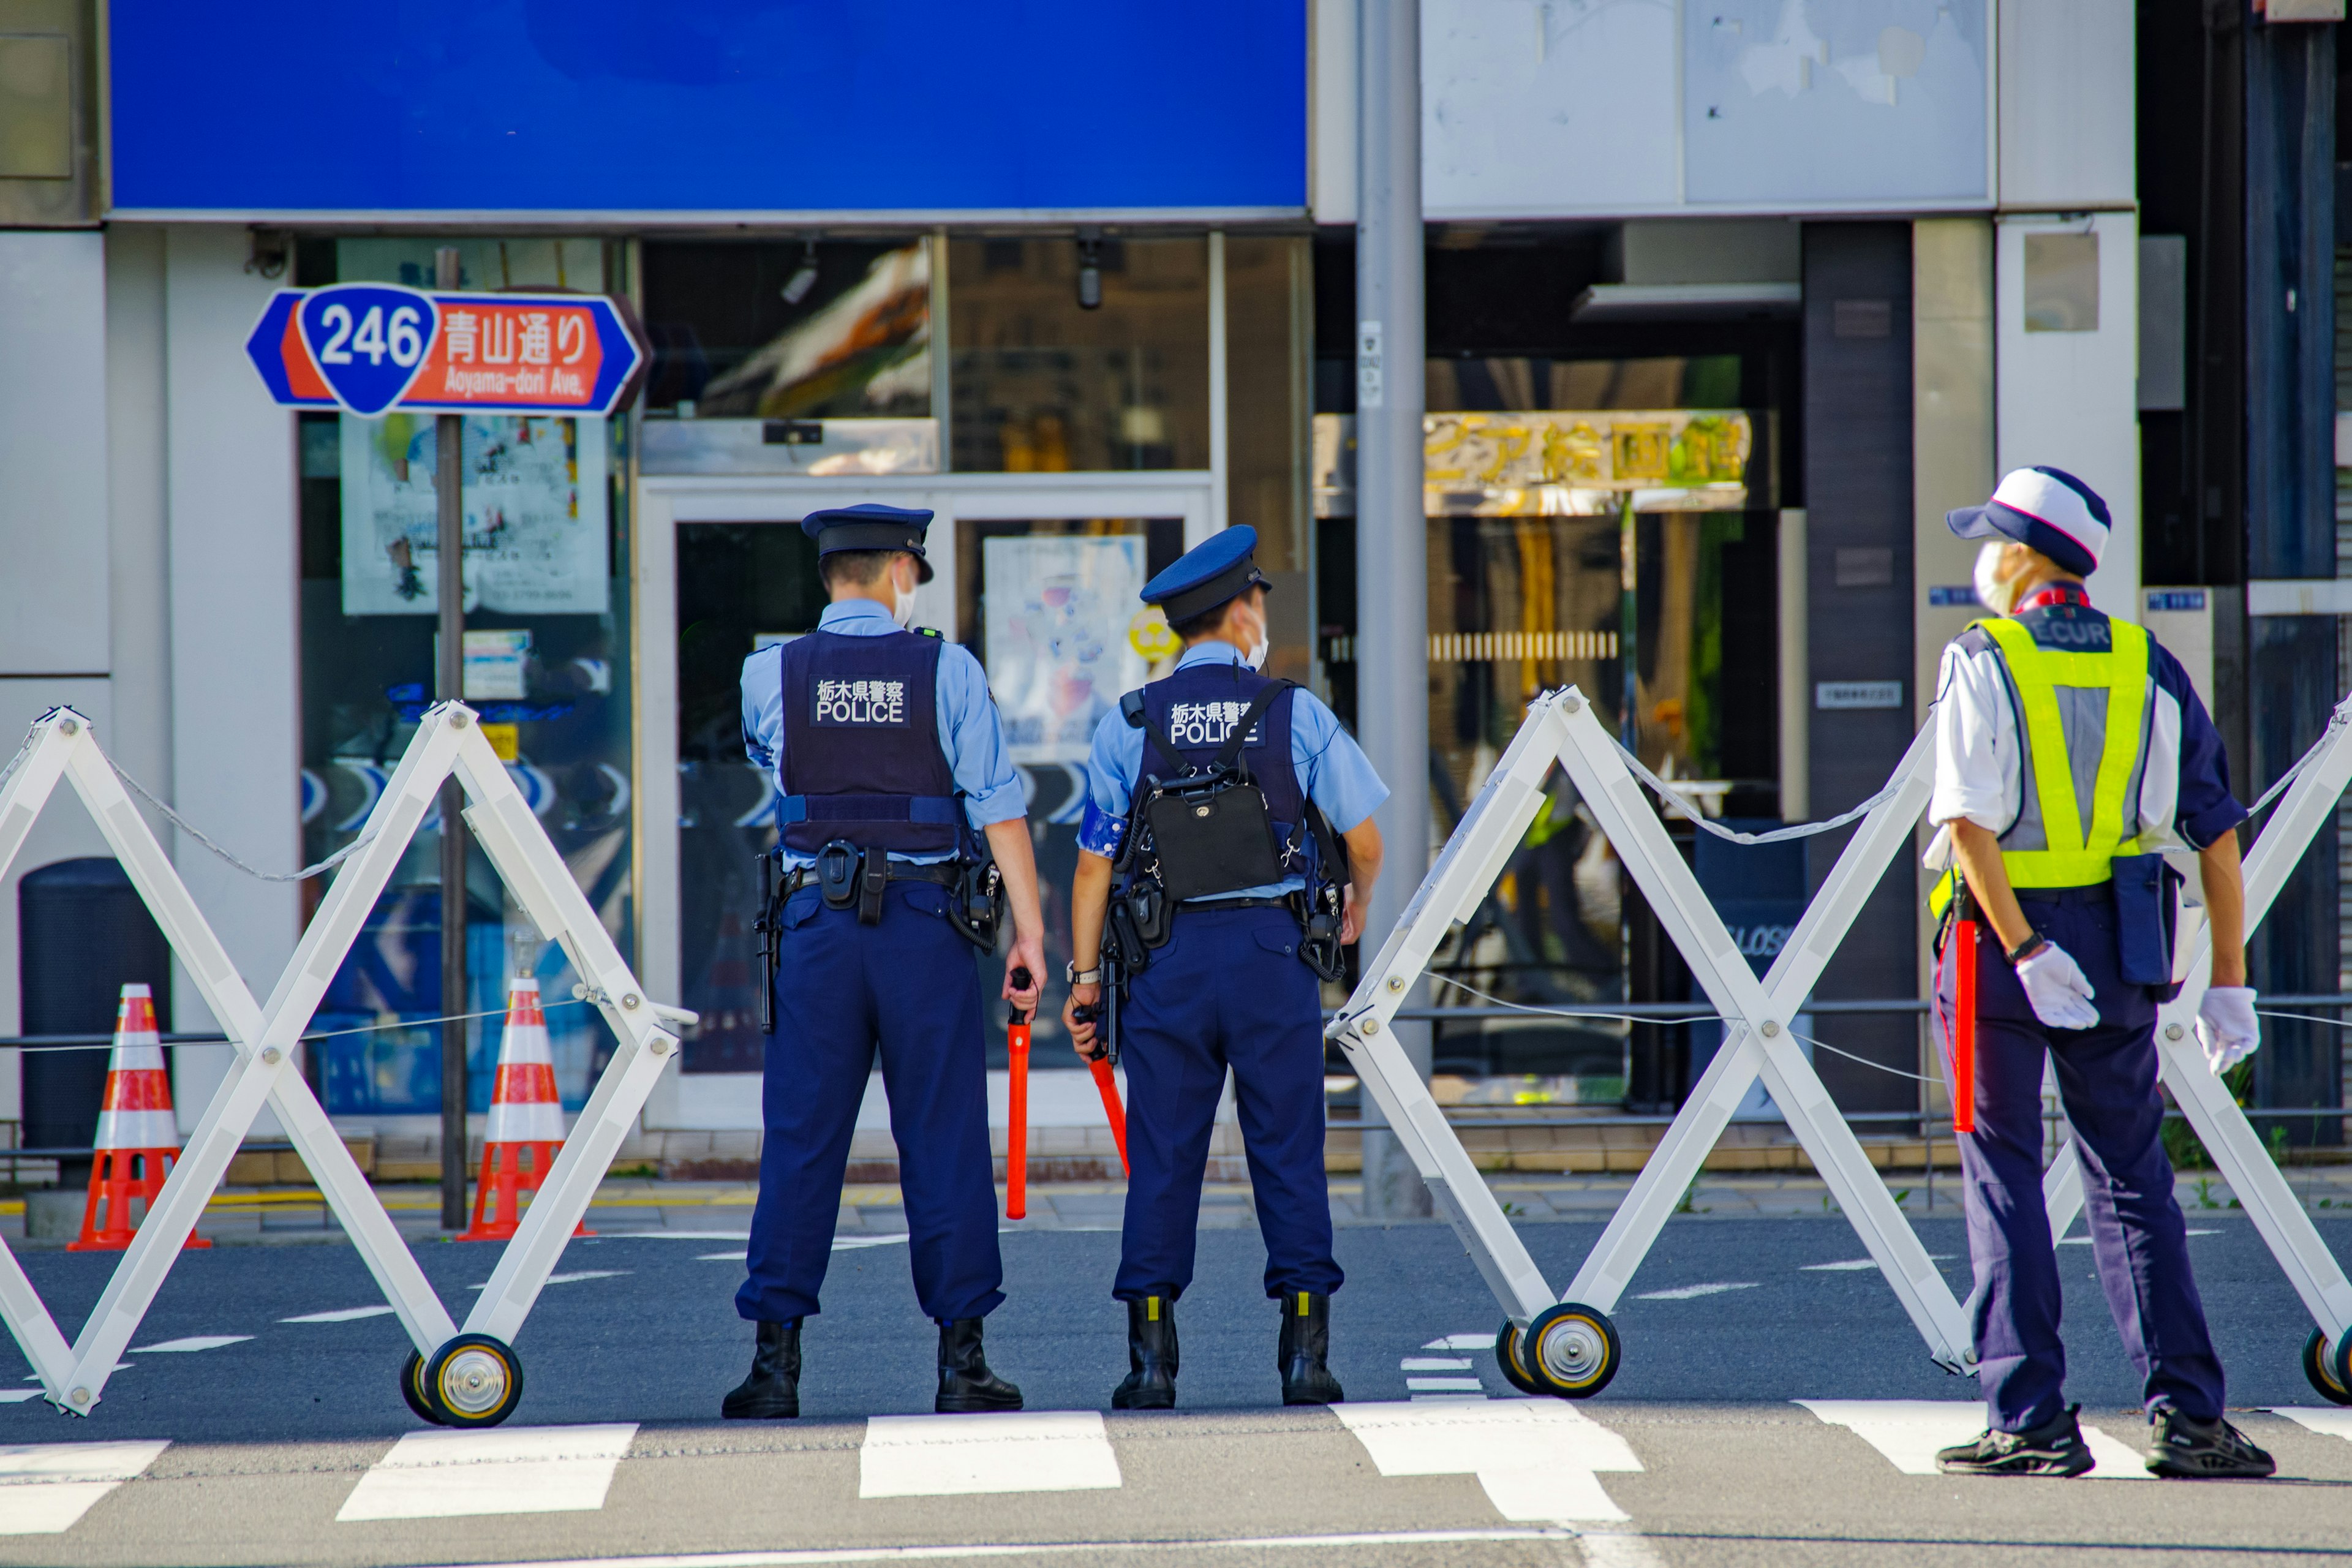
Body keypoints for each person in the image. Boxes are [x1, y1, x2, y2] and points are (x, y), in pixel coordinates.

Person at [1926, 467, 2273, 1480]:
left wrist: (2026, 950)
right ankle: (2190, 1418)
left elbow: (1966, 821)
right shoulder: (2146, 662)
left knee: (2004, 1175)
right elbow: (2215, 832)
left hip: (1999, 948)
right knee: (2131, 1178)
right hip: (2123, 940)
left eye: (1990, 540)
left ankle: (2030, 1420)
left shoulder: (1983, 658)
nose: (1981, 560)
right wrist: (2228, 977)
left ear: (2028, 556)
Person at [724, 502, 1046, 1420]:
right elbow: (997, 807)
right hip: (924, 929)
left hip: (814, 931)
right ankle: (962, 1364)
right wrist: (1030, 933)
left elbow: (772, 767)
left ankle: (773, 1369)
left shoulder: (767, 673)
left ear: (830, 578)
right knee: (942, 1139)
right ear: (902, 571)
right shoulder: (947, 668)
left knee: (800, 1143)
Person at [1061, 526, 1387, 1409]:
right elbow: (1365, 838)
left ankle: (1151, 1362)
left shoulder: (1127, 723)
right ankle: (1305, 1354)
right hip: (1270, 956)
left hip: (1165, 960)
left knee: (1164, 1155)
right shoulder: (1295, 711)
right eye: (1258, 606)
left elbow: (1095, 864)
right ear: (1243, 613)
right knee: (1289, 1149)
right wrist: (1350, 906)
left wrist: (1085, 980)